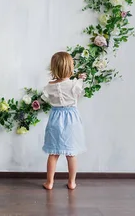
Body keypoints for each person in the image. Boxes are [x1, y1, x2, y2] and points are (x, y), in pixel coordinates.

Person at [41, 51, 87, 190]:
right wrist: (80, 79)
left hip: (55, 118)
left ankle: (49, 183)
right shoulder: (75, 84)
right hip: (71, 119)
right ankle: (72, 182)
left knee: (53, 154)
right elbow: (76, 98)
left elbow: (47, 99)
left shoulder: (49, 86)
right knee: (71, 153)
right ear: (70, 67)